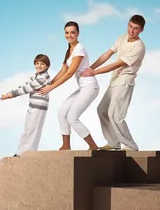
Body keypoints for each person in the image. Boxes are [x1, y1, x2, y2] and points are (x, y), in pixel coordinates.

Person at [80, 15, 146, 151]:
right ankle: (113, 142)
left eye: (136, 28)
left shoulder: (139, 47)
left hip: (125, 82)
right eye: (130, 26)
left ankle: (130, 145)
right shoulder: (122, 38)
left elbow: (117, 64)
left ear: (141, 30)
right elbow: (107, 54)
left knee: (116, 115)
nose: (131, 30)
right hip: (115, 80)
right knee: (102, 110)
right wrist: (91, 68)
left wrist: (94, 73)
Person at [38, 21, 100, 150]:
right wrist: (50, 83)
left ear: (78, 33)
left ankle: (93, 147)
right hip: (83, 87)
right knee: (62, 112)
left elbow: (70, 73)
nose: (69, 35)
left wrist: (51, 88)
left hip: (90, 86)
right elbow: (63, 71)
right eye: (67, 32)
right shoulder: (69, 50)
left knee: (72, 117)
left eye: (72, 32)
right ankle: (66, 145)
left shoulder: (79, 49)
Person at [1, 54, 51, 157]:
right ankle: (20, 152)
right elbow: (25, 85)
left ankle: (28, 153)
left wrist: (10, 95)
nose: (39, 66)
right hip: (32, 106)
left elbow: (27, 89)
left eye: (42, 64)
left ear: (47, 66)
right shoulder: (35, 75)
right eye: (37, 63)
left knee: (33, 130)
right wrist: (9, 93)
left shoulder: (43, 77)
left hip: (39, 107)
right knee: (27, 130)